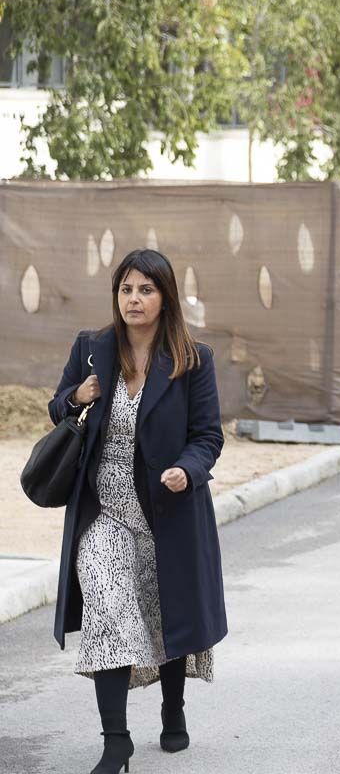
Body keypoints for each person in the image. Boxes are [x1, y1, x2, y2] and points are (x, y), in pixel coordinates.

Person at [48, 249, 226, 774]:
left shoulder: (193, 360)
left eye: (145, 289)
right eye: (126, 289)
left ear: (165, 297)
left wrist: (187, 470)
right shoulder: (92, 349)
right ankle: (116, 742)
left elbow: (208, 436)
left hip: (167, 513)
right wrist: (76, 395)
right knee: (107, 607)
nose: (134, 299)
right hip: (105, 514)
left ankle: (173, 709)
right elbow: (58, 405)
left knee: (163, 610)